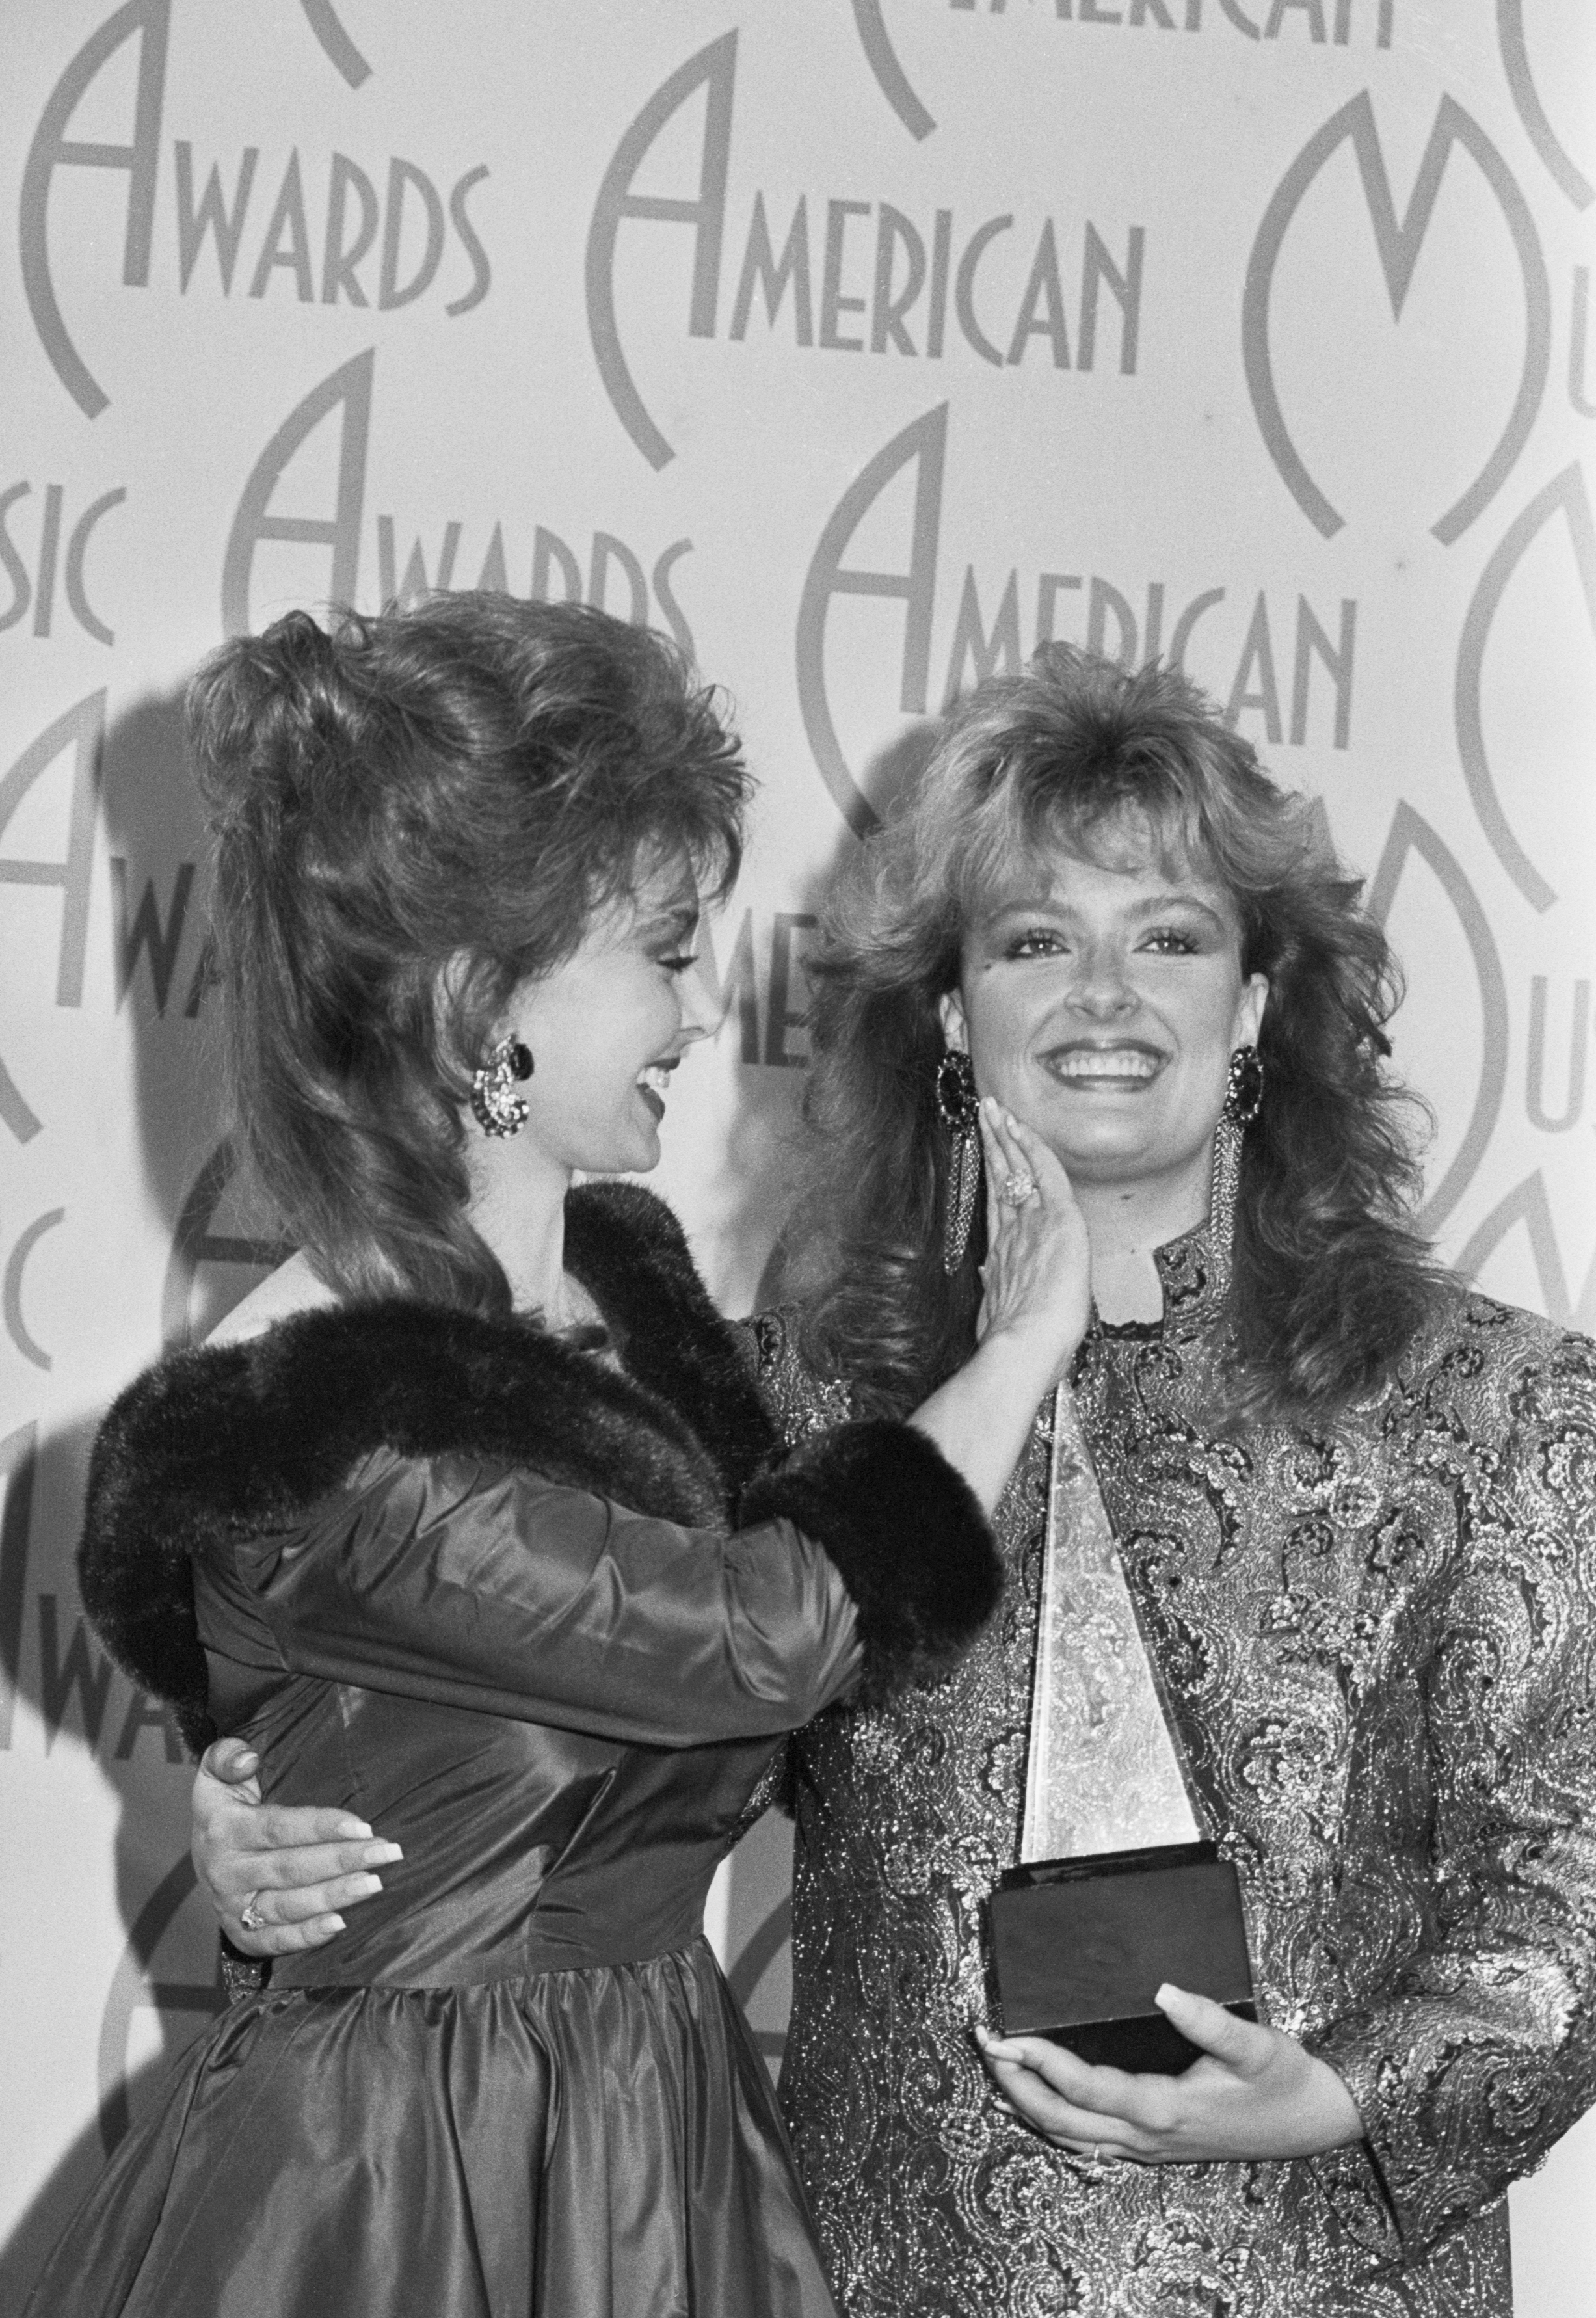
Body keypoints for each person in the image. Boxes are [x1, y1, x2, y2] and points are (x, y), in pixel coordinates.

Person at [191, 646, 1596, 2315]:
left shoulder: (1501, 1411)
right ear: (949, 1012)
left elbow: (1568, 1889)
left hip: (1331, 2277)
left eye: (1169, 937)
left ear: (1260, 1005)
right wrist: (284, 1824)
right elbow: (578, 1768)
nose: (1103, 996)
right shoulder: (778, 1399)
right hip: (873, 2275)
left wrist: (1342, 2098)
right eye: (1032, 941)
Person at [36, 595, 1089, 2318]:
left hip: (644, 2141)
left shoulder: (622, 1294)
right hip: (404, 2181)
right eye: (663, 951)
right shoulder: (336, 1435)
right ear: (477, 1004)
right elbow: (757, 1631)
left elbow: (796, 1656)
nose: (700, 1006)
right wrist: (1028, 1333)